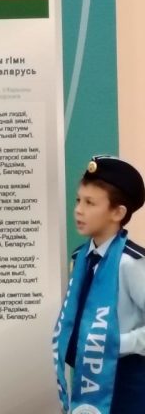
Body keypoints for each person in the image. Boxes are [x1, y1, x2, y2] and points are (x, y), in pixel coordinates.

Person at [53, 155, 145, 414]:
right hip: (87, 373)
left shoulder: (131, 263)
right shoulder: (80, 258)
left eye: (90, 203)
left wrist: (116, 343)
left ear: (118, 212)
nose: (79, 210)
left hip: (127, 381)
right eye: (78, 200)